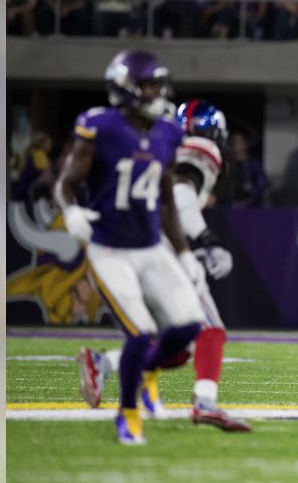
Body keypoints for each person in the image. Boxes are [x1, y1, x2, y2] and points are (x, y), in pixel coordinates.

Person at [55, 50, 208, 445]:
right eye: (149, 85)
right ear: (126, 89)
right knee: (140, 334)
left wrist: (184, 252)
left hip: (150, 245)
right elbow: (65, 183)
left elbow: (168, 200)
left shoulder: (168, 132)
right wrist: (70, 211)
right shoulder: (99, 128)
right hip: (109, 248)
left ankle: (133, 372)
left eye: (159, 83)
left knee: (189, 326)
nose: (158, 92)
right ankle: (127, 414)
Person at [78, 99, 250, 432]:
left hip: (132, 242)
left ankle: (103, 364)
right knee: (210, 330)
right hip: (159, 250)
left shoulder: (158, 145)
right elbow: (182, 196)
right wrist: (207, 240)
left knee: (180, 346)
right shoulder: (200, 152)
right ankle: (205, 403)